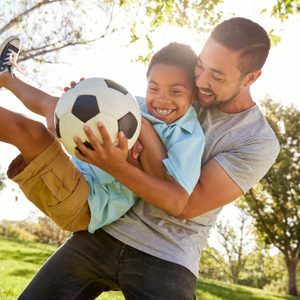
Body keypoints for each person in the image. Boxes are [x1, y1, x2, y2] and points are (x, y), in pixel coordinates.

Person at [6, 17, 280, 300]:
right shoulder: (178, 88)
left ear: (251, 78)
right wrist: (84, 100)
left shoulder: (256, 141)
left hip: (168, 253)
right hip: (106, 228)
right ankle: (8, 78)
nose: (201, 81)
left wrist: (118, 164)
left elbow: (185, 205)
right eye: (200, 66)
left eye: (217, 76)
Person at [0, 40, 205, 234]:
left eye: (176, 91)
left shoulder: (189, 136)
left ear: (194, 94)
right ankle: (7, 77)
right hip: (78, 170)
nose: (162, 99)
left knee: (31, 133)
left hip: (89, 203)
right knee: (56, 106)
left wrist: (142, 130)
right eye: (154, 88)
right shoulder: (135, 104)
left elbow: (169, 192)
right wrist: (78, 98)